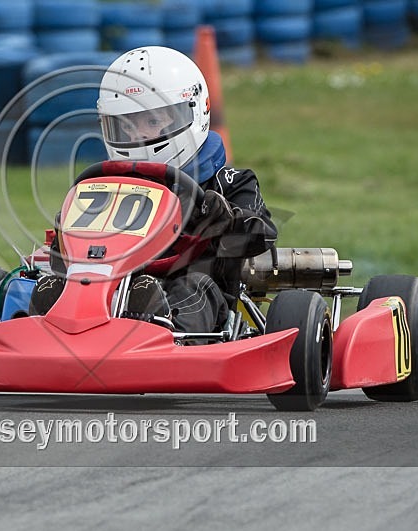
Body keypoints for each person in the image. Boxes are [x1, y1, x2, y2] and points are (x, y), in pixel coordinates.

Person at [33, 46, 277, 334]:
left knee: (192, 287)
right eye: (127, 125)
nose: (139, 135)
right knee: (46, 284)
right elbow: (67, 255)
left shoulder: (230, 182)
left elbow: (263, 235)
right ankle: (38, 330)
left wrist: (225, 218)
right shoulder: (105, 186)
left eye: (152, 121)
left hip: (197, 293)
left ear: (194, 110)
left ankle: (166, 335)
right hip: (107, 287)